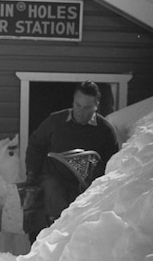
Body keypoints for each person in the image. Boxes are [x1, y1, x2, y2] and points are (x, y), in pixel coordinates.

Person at [24, 81, 120, 243]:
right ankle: (52, 238)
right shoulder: (55, 121)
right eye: (77, 105)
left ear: (96, 106)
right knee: (52, 188)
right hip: (54, 179)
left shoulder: (105, 130)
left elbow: (114, 164)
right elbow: (36, 145)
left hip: (87, 185)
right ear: (73, 101)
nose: (80, 111)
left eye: (87, 107)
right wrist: (31, 174)